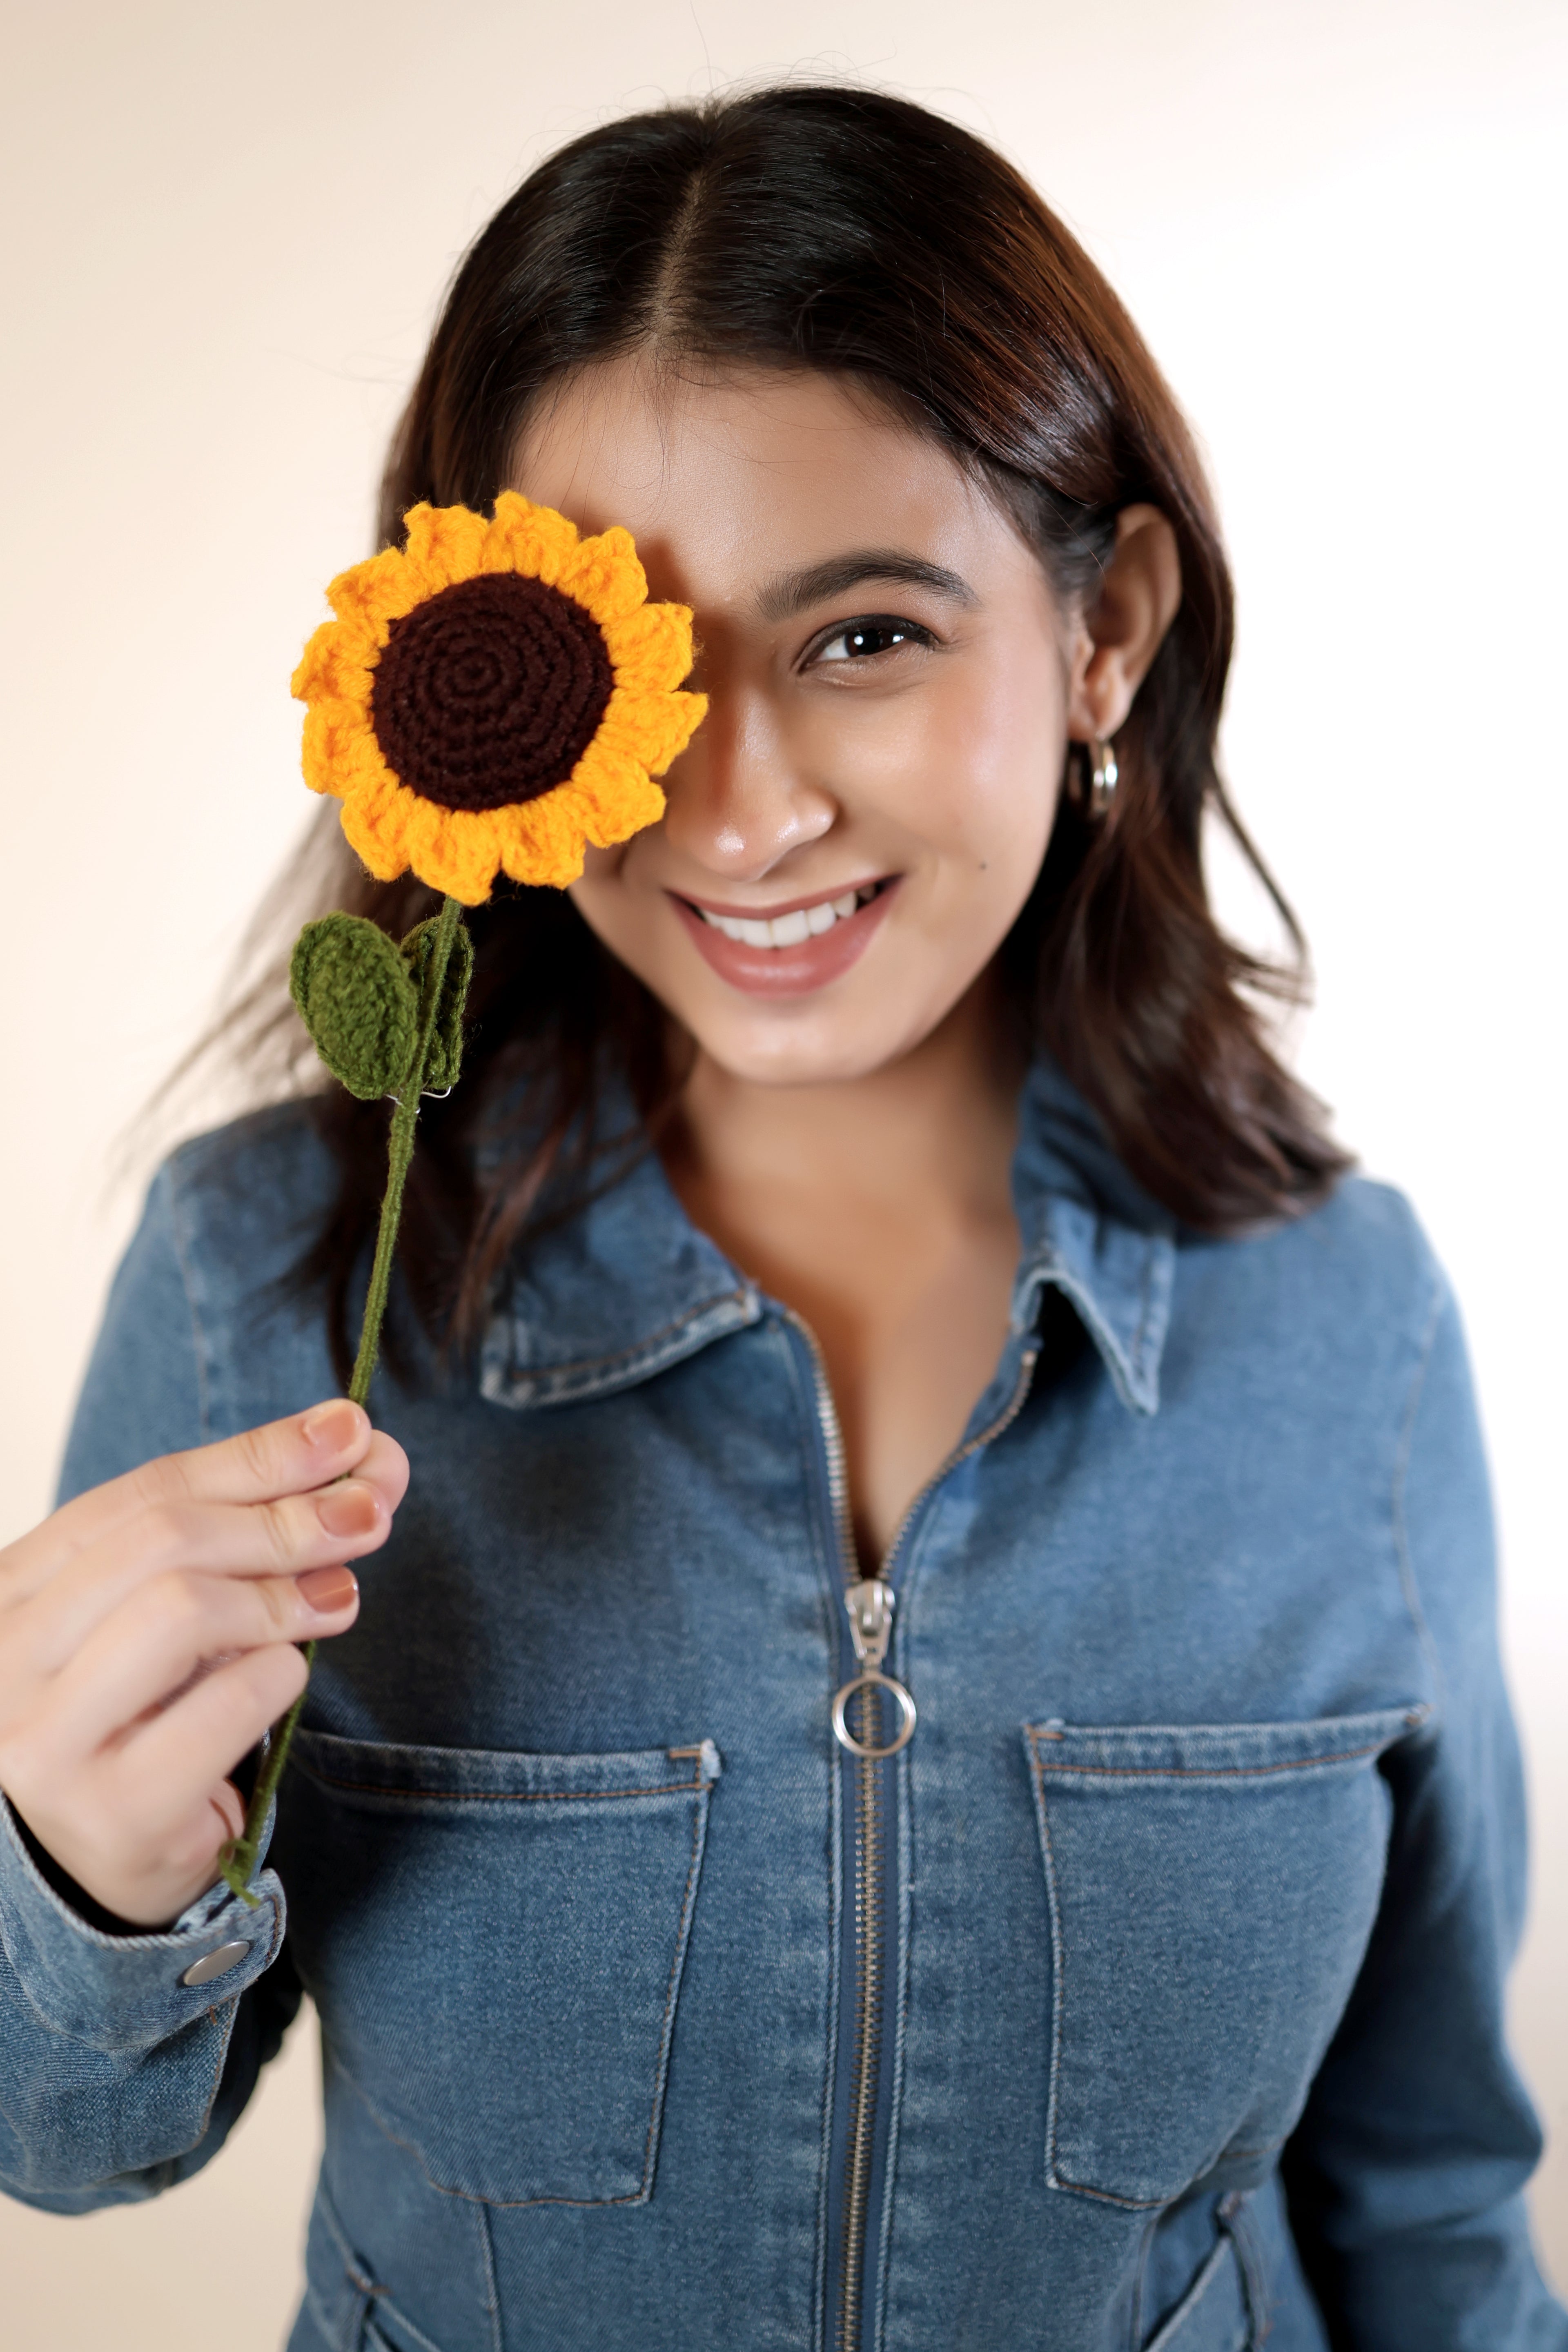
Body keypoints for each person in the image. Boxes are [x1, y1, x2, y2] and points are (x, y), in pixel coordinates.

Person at [0, 83, 1558, 2352]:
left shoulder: (1352, 1320)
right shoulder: (268, 1284)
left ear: (1106, 631)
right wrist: (68, 1876)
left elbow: (1427, 2203)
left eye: (864, 640)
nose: (733, 817)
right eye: (621, 666)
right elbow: (64, 2138)